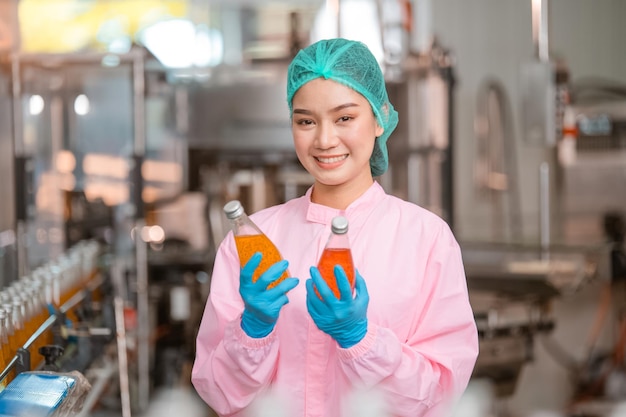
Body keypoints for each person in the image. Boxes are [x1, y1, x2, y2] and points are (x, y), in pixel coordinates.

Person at [191, 38, 479, 417]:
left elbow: (440, 396)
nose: (325, 140)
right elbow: (219, 393)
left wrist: (360, 340)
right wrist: (253, 329)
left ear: (379, 118)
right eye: (306, 121)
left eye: (345, 118)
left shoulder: (426, 239)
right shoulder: (252, 241)